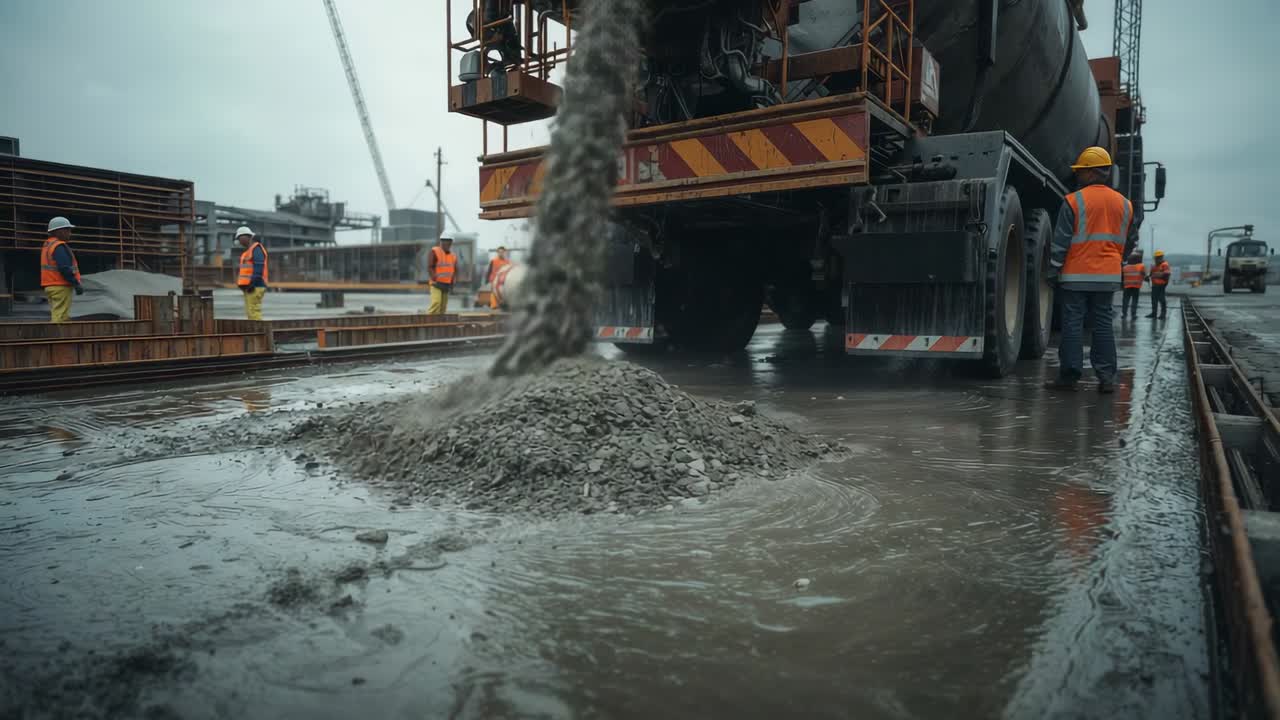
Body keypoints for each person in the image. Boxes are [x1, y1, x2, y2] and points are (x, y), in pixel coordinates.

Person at [1046, 146, 1138, 394]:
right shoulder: (1125, 205)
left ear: (1089, 173)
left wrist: (1053, 272)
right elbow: (1130, 241)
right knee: (1103, 324)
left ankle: (1070, 376)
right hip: (1107, 277)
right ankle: (1107, 378)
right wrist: (1116, 259)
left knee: (1073, 325)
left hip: (1075, 277)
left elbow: (1061, 243)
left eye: (1080, 172)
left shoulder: (1073, 201)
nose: (1077, 177)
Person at [39, 216, 83, 323]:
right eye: (67, 230)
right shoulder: (58, 246)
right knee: (60, 318)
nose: (69, 233)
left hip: (51, 285)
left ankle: (59, 337)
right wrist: (75, 283)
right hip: (60, 286)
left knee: (58, 314)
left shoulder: (48, 245)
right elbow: (64, 268)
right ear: (58, 231)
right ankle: (57, 337)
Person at [235, 226, 268, 320]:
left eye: (240, 238)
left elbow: (258, 267)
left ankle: (259, 333)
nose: (239, 241)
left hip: (255, 286)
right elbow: (246, 271)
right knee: (251, 312)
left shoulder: (256, 249)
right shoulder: (249, 251)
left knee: (254, 312)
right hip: (250, 287)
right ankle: (254, 333)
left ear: (247, 237)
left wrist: (252, 283)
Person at [427, 235, 457, 315]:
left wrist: (452, 284)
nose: (447, 244)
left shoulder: (453, 256)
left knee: (443, 307)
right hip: (436, 284)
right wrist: (434, 277)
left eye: (449, 242)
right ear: (441, 242)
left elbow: (453, 271)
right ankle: (430, 321)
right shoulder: (435, 251)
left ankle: (440, 323)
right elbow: (430, 266)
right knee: (436, 303)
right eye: (445, 241)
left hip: (446, 284)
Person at [1146, 250, 1171, 319]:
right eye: (1156, 257)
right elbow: (1150, 274)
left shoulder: (1165, 264)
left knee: (1161, 299)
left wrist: (1156, 275)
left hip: (1161, 285)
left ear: (1162, 257)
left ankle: (1163, 314)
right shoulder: (1154, 266)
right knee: (1154, 299)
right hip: (1154, 285)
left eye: (1159, 257)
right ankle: (1154, 313)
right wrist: (1147, 277)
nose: (1157, 259)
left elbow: (1167, 273)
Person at [1121, 251, 1145, 320]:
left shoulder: (1125, 267)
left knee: (1125, 300)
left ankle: (1124, 314)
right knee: (1134, 300)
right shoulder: (1141, 266)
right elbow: (1144, 275)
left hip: (1127, 286)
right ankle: (1133, 314)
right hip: (1136, 286)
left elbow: (1122, 276)